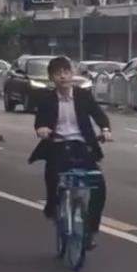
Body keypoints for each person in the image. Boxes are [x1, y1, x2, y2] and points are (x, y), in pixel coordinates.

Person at [29, 55, 111, 246]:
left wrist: (105, 130)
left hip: (82, 145)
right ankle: (53, 206)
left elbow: (99, 115)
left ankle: (90, 229)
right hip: (57, 145)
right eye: (58, 73)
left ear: (72, 74)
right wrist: (41, 130)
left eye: (66, 72)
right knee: (52, 176)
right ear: (51, 77)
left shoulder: (83, 96)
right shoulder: (47, 99)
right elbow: (39, 123)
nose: (63, 76)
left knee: (99, 186)